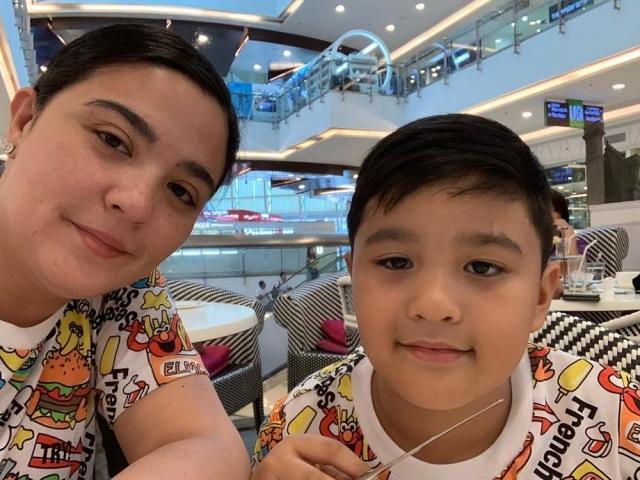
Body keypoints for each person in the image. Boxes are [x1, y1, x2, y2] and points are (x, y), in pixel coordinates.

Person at [251, 114, 640, 479]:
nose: (433, 305)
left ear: (541, 296)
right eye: (396, 262)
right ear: (354, 280)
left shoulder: (617, 417)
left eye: (482, 267)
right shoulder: (298, 429)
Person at [0, 24, 249, 479]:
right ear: (24, 120)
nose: (136, 203)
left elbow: (209, 446)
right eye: (112, 140)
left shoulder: (124, 291)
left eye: (180, 191)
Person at [550, 189, 579, 257]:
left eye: (554, 210)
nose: (549, 214)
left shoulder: (577, 244)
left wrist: (567, 230)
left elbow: (574, 263)